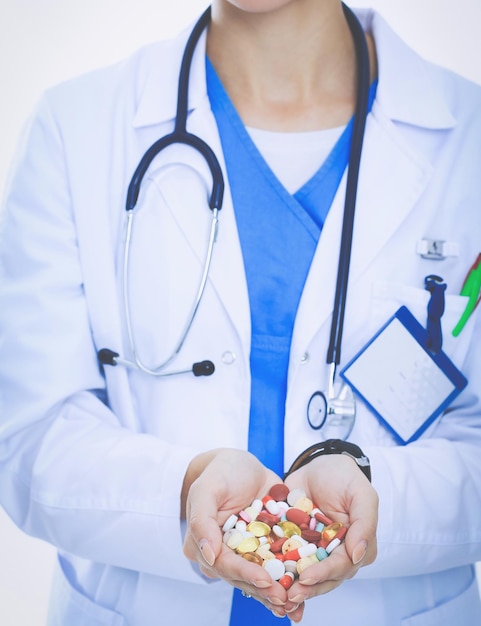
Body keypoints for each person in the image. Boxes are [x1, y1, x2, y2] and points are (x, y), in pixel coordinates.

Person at [0, 0, 480, 624]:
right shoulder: (77, 128)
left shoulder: (468, 141)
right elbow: (31, 439)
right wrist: (186, 480)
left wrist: (375, 494)